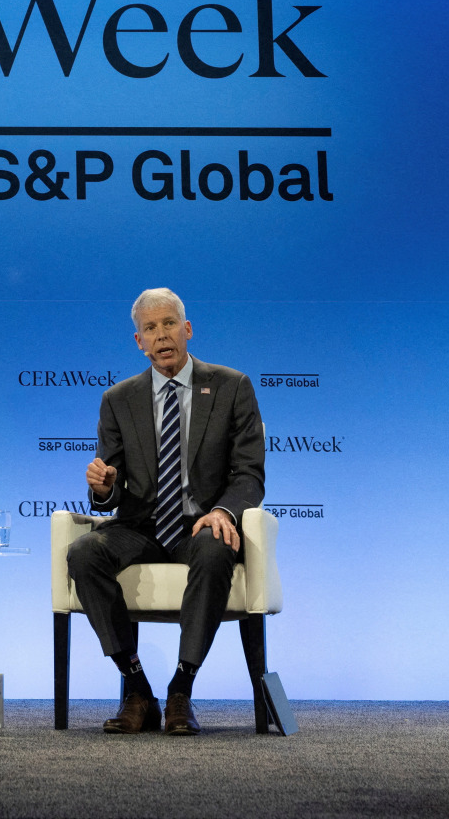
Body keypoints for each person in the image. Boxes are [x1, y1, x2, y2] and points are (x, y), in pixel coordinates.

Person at [69, 287, 265, 735]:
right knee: (84, 554)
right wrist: (103, 488)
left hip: (198, 525)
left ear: (188, 329)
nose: (161, 336)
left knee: (216, 548)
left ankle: (182, 688)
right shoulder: (118, 400)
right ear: (138, 341)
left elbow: (249, 473)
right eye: (150, 328)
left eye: (169, 324)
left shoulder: (233, 386)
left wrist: (223, 512)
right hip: (140, 526)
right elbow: (111, 492)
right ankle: (137, 688)